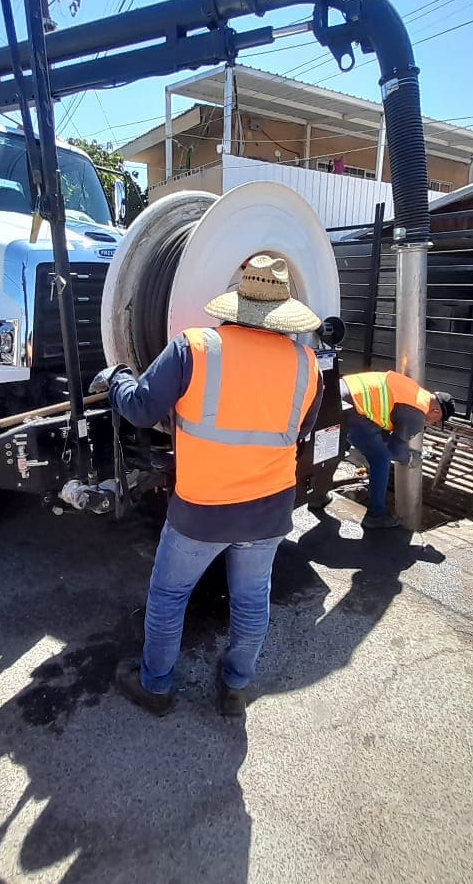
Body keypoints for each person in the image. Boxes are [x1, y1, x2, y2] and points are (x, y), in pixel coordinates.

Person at [93, 254, 324, 718]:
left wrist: (116, 379)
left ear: (236, 301)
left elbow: (140, 409)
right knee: (251, 598)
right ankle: (236, 686)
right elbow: (300, 432)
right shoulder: (307, 364)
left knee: (169, 597)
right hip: (269, 512)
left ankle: (156, 686)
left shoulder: (194, 348)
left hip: (202, 512)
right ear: (283, 312)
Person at [340, 370, 455, 530]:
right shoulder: (417, 414)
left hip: (340, 391)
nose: (432, 424)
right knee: (381, 458)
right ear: (436, 412)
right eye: (437, 421)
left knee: (335, 450)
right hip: (352, 408)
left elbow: (385, 427)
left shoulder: (416, 392)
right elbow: (394, 449)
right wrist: (409, 459)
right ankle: (376, 516)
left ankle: (318, 494)